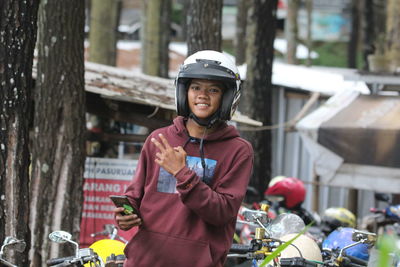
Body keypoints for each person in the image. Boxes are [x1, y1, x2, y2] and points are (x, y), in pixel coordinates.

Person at [113, 50, 254, 267]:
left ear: (227, 98)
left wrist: (182, 173)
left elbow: (222, 212)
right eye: (195, 87)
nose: (202, 95)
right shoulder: (158, 139)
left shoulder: (238, 150)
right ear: (184, 92)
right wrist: (125, 215)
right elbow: (134, 197)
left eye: (213, 90)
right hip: (144, 261)